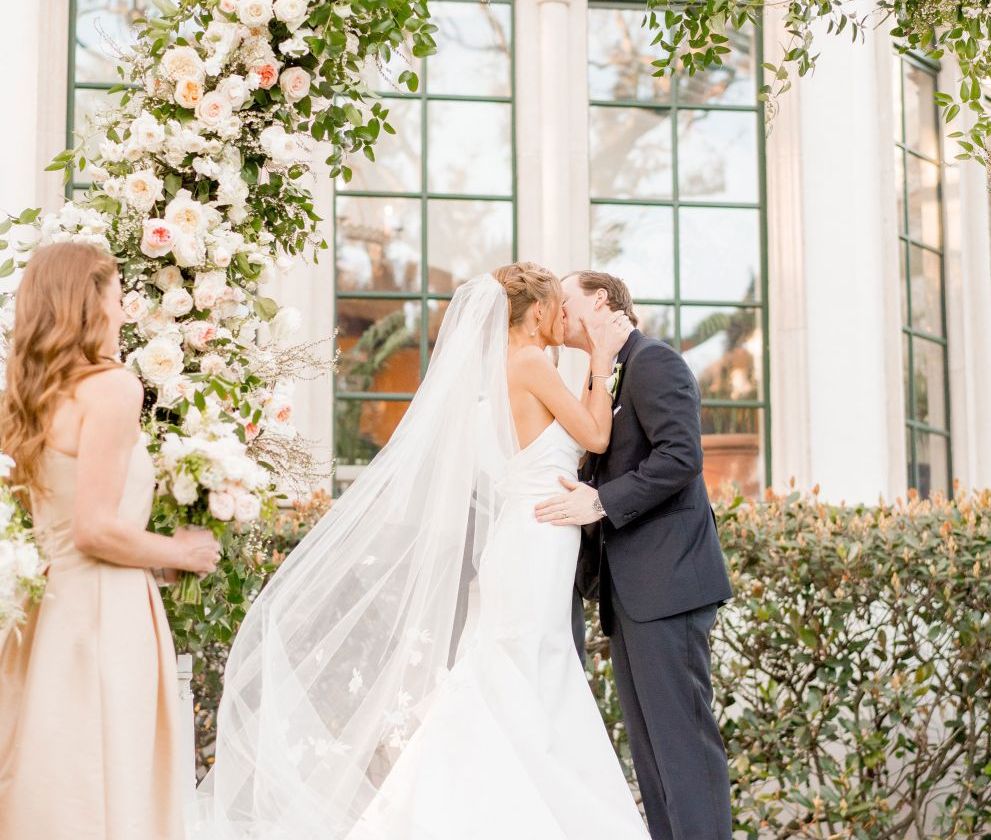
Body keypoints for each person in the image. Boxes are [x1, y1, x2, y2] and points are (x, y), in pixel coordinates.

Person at [188, 263, 649, 840]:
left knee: (526, 664)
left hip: (535, 535)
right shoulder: (529, 362)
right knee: (519, 665)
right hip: (535, 538)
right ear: (536, 311)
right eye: (558, 305)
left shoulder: (516, 368)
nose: (563, 317)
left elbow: (568, 443)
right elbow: (597, 438)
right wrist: (601, 364)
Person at [0, 242, 220, 840]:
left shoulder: (24, 396)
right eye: (118, 299)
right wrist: (182, 551)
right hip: (104, 613)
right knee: (110, 784)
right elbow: (96, 529)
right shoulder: (113, 388)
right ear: (87, 306)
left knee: (54, 780)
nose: (124, 314)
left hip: (45, 612)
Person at [536, 270, 734, 840]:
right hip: (631, 596)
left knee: (684, 749)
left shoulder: (655, 362)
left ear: (600, 300)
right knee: (652, 755)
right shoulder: (604, 373)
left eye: (567, 302)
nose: (561, 313)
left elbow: (680, 458)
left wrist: (600, 502)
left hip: (669, 587)